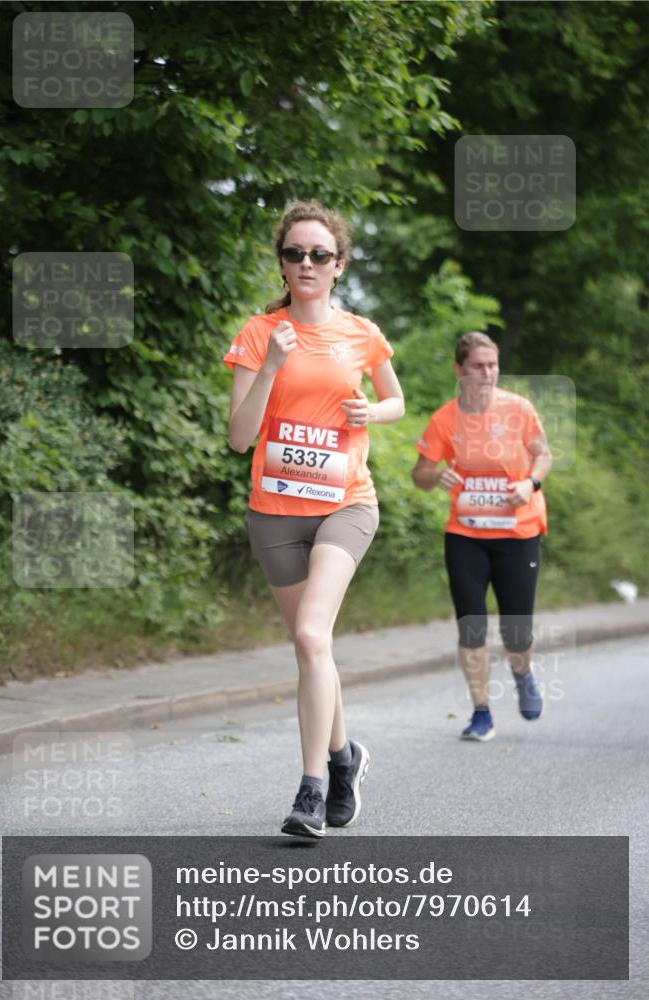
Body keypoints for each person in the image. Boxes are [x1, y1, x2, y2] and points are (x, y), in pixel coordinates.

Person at [223, 200, 404, 836]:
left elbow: (396, 400)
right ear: (282, 263)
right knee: (313, 651)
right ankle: (345, 757)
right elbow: (240, 438)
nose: (306, 263)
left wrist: (371, 415)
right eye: (295, 253)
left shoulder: (362, 332)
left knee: (309, 637)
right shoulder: (256, 333)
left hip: (345, 504)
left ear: (339, 265)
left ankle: (310, 790)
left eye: (319, 254)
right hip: (274, 511)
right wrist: (271, 363)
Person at [412, 332, 552, 741]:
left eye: (492, 365)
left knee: (516, 632)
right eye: (478, 366)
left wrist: (531, 483)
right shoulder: (444, 419)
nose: (488, 373)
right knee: (471, 625)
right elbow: (419, 475)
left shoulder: (519, 409)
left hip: (518, 531)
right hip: (466, 534)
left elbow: (543, 454)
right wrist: (436, 475)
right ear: (459, 370)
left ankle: (522, 672)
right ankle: (481, 712)